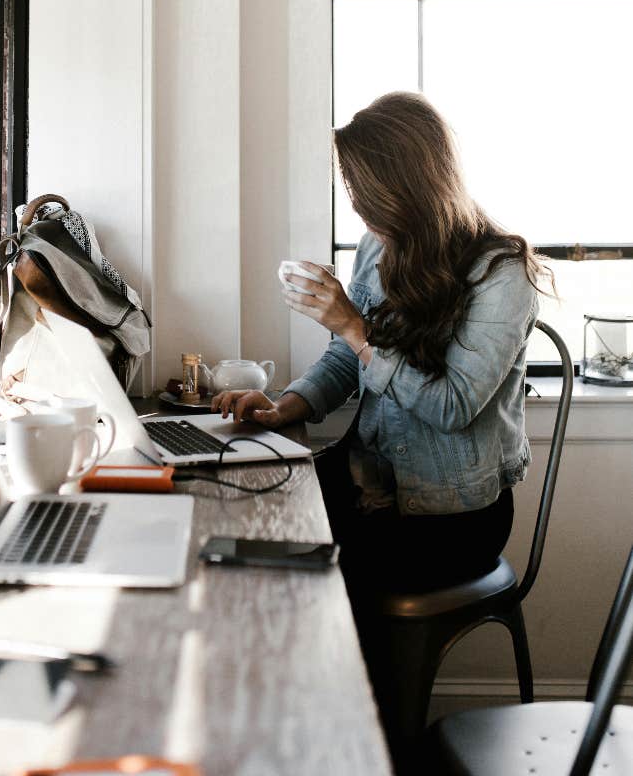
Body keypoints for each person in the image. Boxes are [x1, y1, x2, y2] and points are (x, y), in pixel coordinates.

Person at [212, 91, 550, 759]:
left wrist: (356, 329)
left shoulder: (501, 273)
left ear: (408, 185)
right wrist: (288, 406)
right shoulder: (379, 247)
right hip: (371, 479)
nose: (358, 207)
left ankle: (356, 749)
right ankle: (264, 734)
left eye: (364, 190)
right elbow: (346, 357)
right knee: (239, 535)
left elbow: (453, 406)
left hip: (453, 515)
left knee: (321, 580)